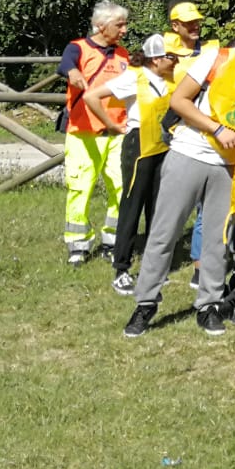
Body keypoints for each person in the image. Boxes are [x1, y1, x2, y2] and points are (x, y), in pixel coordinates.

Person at [123, 11, 235, 339]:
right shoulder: (217, 58)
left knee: (217, 240)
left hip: (228, 166)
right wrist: (216, 127)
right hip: (189, 153)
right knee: (164, 233)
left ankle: (208, 305)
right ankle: (146, 303)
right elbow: (179, 101)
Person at [84, 32, 177, 295]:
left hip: (161, 146)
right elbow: (92, 96)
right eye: (170, 57)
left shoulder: (167, 79)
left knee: (157, 207)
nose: (175, 62)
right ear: (156, 59)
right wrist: (112, 124)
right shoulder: (133, 77)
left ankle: (152, 265)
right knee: (132, 205)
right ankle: (121, 268)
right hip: (137, 146)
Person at [58, 0, 132, 266]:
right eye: (119, 24)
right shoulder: (78, 48)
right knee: (80, 188)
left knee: (121, 187)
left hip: (118, 133)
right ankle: (78, 245)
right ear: (101, 25)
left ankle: (113, 240)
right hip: (83, 134)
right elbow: (65, 64)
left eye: (125, 24)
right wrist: (73, 71)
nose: (124, 30)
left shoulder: (124, 55)